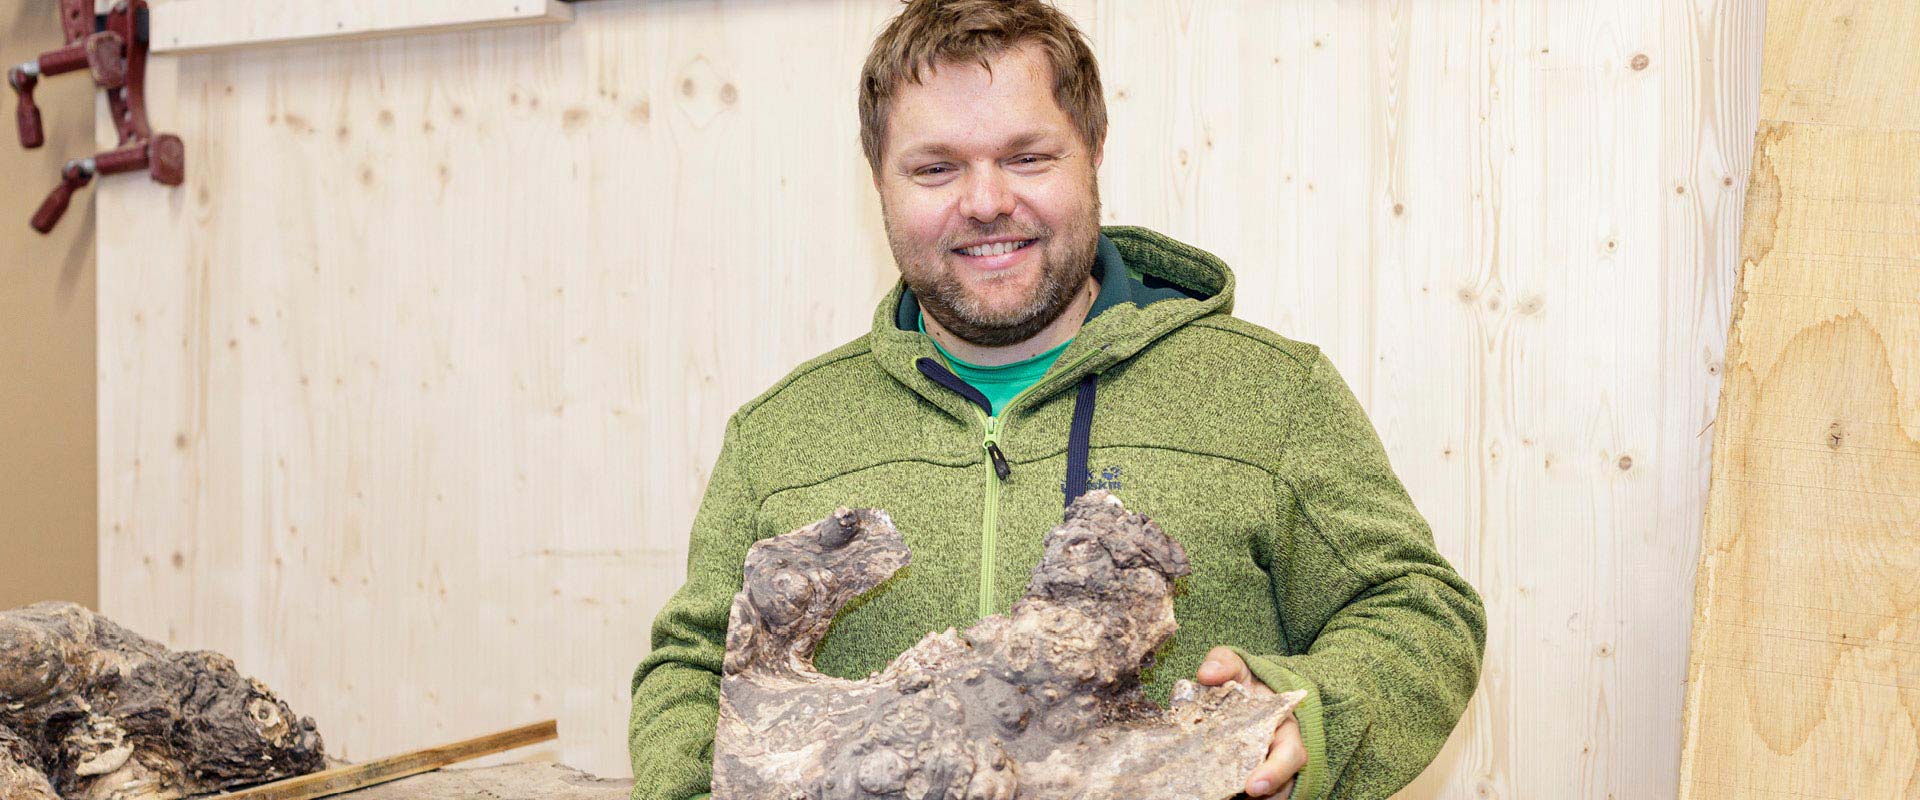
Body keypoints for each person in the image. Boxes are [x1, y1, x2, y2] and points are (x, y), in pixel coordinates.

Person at [627, 2, 1485, 798]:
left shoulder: (1270, 393)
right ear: (879, 181)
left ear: (1095, 152)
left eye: (1028, 157)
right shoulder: (781, 435)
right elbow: (693, 670)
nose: (988, 202)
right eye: (935, 168)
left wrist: (1312, 711)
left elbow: (1418, 611)